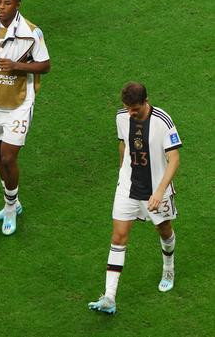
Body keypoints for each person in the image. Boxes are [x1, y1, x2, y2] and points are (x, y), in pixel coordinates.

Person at [88, 83, 181, 315]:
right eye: (127, 108)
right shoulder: (121, 116)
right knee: (118, 236)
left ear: (146, 101)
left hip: (156, 188)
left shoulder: (163, 120)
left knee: (164, 230)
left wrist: (159, 191)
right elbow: (123, 144)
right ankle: (109, 296)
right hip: (128, 186)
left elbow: (175, 158)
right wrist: (122, 171)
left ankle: (168, 267)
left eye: (135, 109)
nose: (130, 113)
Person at [0, 0, 50, 235]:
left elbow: (45, 65)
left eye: (7, 3)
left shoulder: (31, 33)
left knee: (9, 156)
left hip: (19, 103)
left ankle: (9, 208)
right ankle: (13, 202)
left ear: (17, 5)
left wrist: (17, 66)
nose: (1, 7)